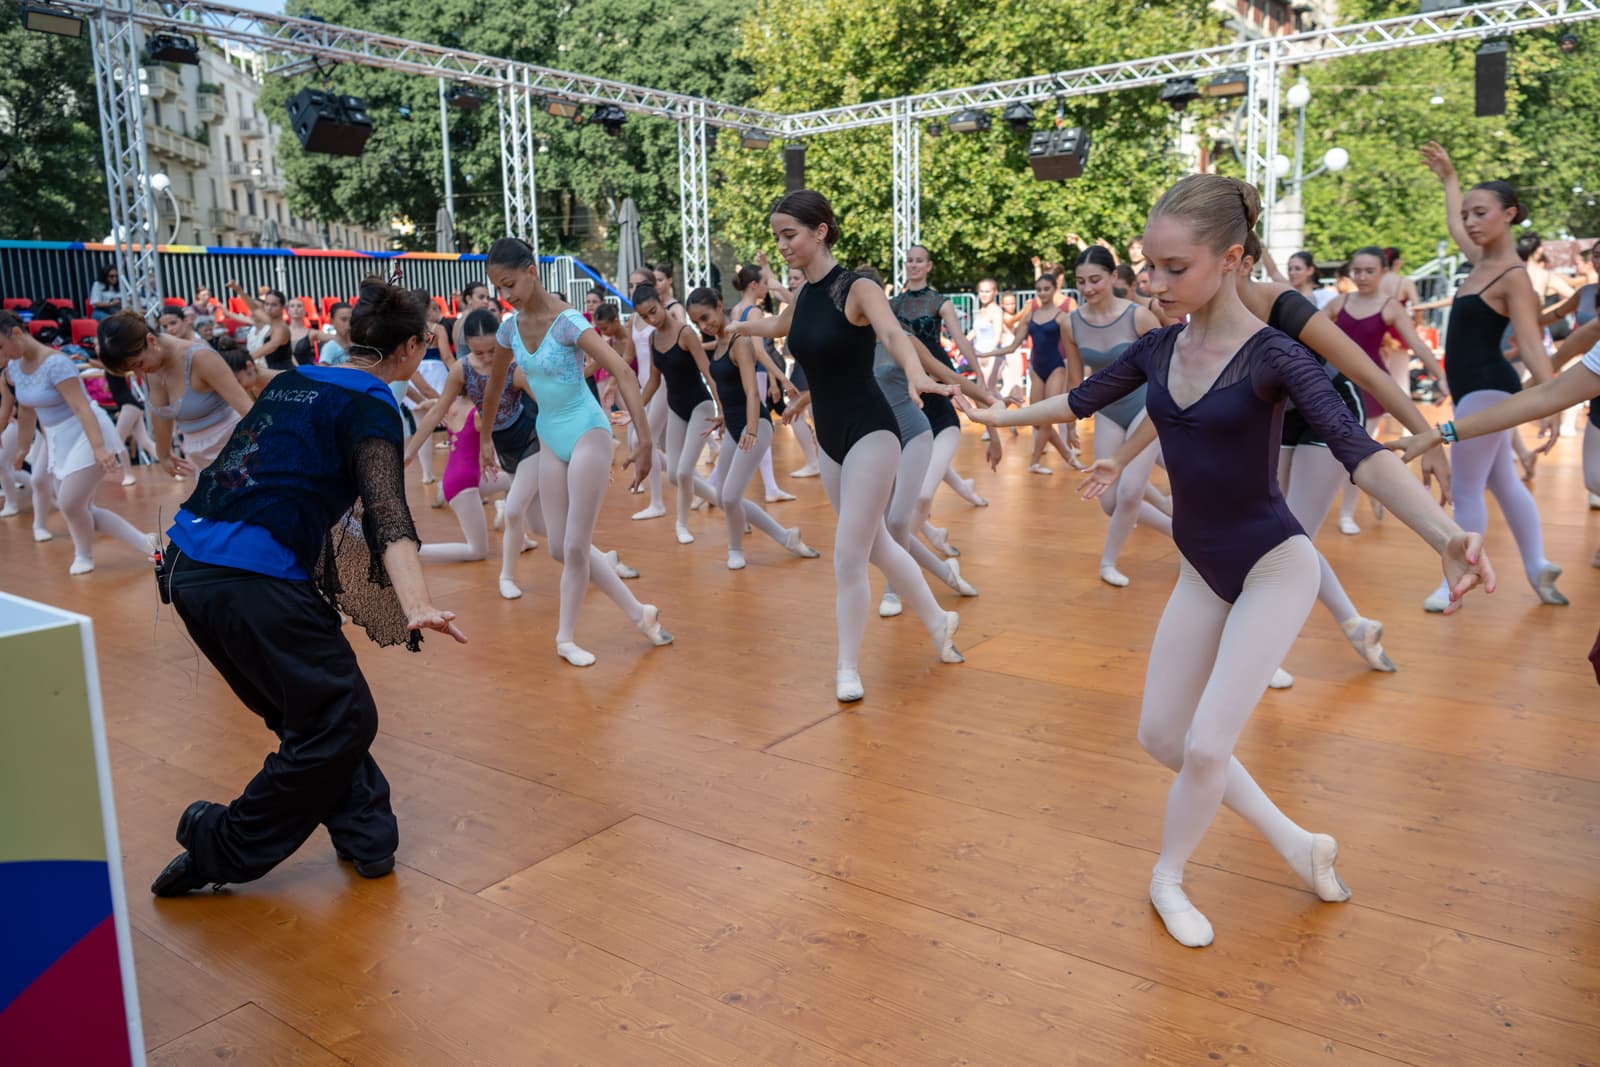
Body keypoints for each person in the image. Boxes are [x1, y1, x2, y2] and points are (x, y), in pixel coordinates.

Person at [969, 174, 1493, 948]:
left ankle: (1168, 876)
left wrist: (1444, 535)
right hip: (1200, 569)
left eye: (1174, 268)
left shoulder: (1274, 354)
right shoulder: (1157, 347)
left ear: (1232, 259)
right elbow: (1079, 402)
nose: (1155, 283)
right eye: (1149, 267)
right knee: (1162, 736)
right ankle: (1298, 842)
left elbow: (1359, 450)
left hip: (1274, 567)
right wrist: (994, 413)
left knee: (1208, 743)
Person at [147, 277, 468, 898]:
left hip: (188, 566)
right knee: (342, 717)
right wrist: (418, 603)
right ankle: (218, 840)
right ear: (409, 348)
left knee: (313, 715)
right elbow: (386, 512)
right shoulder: (373, 403)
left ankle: (368, 835)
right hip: (250, 579)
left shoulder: (290, 381)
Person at [727, 190, 963, 703]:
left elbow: (894, 335)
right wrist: (739, 325)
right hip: (830, 435)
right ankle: (938, 619)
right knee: (877, 544)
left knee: (848, 556)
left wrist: (917, 373)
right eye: (777, 236)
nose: (782, 245)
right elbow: (780, 327)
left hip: (872, 431)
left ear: (820, 231)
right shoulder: (805, 295)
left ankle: (847, 667)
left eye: (790, 234)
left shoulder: (857, 287)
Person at [478, 237, 673, 667]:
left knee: (575, 545)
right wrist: (485, 437)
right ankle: (640, 613)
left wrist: (644, 441)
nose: (506, 295)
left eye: (510, 283)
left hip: (587, 431)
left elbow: (622, 371)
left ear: (532, 272)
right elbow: (494, 387)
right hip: (550, 436)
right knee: (558, 548)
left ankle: (565, 638)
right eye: (499, 288)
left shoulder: (567, 322)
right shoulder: (509, 329)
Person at [1418, 142, 1565, 610]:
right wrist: (1449, 178)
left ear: (1509, 214)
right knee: (1503, 482)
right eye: (1468, 214)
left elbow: (1533, 346)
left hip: (1488, 390)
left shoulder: (1513, 276)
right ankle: (1537, 566)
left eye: (1481, 213)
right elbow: (1452, 224)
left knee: (1465, 489)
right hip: (1475, 390)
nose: (1470, 222)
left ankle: (1457, 580)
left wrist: (1553, 401)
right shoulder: (1480, 263)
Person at [1, 311, 154, 572]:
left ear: (16, 333)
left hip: (86, 430)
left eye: (0, 346)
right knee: (80, 508)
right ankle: (146, 543)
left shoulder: (56, 363)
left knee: (70, 503)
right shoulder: (14, 367)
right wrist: (23, 447)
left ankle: (84, 555)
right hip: (57, 436)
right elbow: (26, 409)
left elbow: (82, 407)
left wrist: (99, 448)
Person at [685, 287, 820, 569]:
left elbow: (751, 392)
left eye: (705, 317)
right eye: (697, 323)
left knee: (730, 496)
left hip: (755, 425)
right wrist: (724, 416)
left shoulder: (740, 341)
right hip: (736, 426)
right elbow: (728, 388)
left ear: (719, 305)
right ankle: (786, 537)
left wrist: (752, 429)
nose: (703, 326)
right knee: (723, 496)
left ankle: (735, 550)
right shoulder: (718, 342)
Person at [1068, 245, 1171, 587]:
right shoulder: (1071, 323)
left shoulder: (1139, 316)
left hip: (1146, 408)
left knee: (1129, 493)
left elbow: (1167, 369)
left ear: (1114, 276)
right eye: (1080, 281)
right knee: (1110, 502)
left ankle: (1108, 563)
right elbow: (1075, 382)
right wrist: (1069, 425)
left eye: (1095, 279)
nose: (1087, 288)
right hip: (1108, 411)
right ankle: (1179, 532)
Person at [1328, 247, 1446, 536]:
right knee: (1335, 452)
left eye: (1369, 271)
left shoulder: (1390, 306)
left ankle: (1347, 513)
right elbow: (1304, 334)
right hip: (1336, 384)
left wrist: (1440, 376)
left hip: (1371, 387)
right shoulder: (1338, 303)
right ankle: (1372, 489)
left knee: (1355, 452)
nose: (1362, 276)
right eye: (1357, 271)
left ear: (1383, 272)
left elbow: (1417, 344)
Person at [96, 311, 256, 474]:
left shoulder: (200, 357)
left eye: (139, 364)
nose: (139, 372)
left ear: (151, 340)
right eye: (133, 368)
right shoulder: (148, 363)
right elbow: (161, 412)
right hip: (199, 458)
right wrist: (163, 454)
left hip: (239, 452)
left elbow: (248, 410)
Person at [634, 284, 720, 545]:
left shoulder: (686, 333)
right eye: (645, 317)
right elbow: (653, 381)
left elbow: (708, 372)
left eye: (653, 311)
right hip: (676, 408)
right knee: (673, 474)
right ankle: (729, 505)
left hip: (700, 407)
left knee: (683, 473)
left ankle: (681, 524)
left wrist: (722, 409)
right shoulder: (652, 339)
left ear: (661, 301)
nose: (651, 319)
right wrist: (635, 409)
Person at [983, 272, 1079, 474]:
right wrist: (985, 353)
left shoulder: (1062, 317)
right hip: (1037, 369)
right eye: (1039, 290)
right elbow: (1012, 346)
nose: (1042, 293)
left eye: (1046, 289)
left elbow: (1076, 344)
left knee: (1047, 418)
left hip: (1056, 367)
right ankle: (1068, 455)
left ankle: (1034, 462)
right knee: (1036, 421)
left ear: (1054, 290)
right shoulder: (1030, 316)